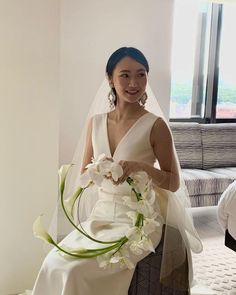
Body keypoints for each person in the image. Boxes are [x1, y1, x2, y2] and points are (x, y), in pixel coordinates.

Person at [31, 47, 202, 295]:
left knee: (76, 271)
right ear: (110, 78)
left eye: (141, 74)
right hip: (101, 218)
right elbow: (82, 178)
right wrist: (98, 169)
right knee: (54, 263)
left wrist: (141, 168)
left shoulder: (155, 126)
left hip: (138, 222)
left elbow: (173, 182)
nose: (134, 83)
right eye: (125, 75)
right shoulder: (96, 122)